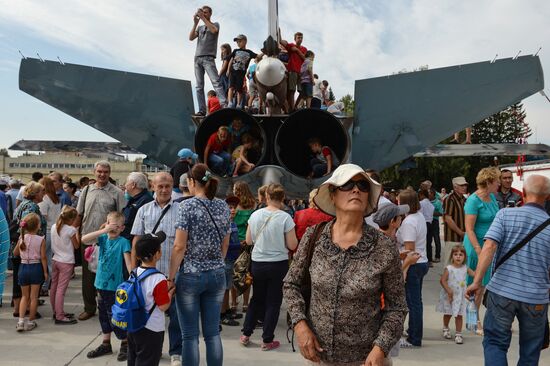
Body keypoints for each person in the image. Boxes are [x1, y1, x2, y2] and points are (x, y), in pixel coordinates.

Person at [284, 164, 407, 364]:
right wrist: (300, 325)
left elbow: (397, 307)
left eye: (362, 186)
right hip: (319, 358)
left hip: (366, 360)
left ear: (368, 197)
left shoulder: (384, 246)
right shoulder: (314, 237)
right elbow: (291, 284)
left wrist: (380, 348)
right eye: (347, 185)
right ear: (332, 194)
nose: (356, 189)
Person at [466, 174, 550, 365]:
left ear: (524, 193)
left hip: (502, 292)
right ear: (548, 197)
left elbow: (489, 247)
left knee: (495, 342)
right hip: (536, 298)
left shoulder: (505, 214)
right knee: (531, 350)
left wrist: (477, 282)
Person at [168, 163, 230, 366]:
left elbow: (179, 246)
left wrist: (170, 276)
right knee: (212, 334)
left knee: (190, 336)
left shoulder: (186, 206)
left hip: (191, 274)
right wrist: (217, 262)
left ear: (192, 182)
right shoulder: (222, 205)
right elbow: (226, 242)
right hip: (217, 274)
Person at [130, 172, 182, 366]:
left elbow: (184, 242)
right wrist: (135, 269)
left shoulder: (181, 210)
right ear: (152, 186)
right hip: (149, 276)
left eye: (167, 186)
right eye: (160, 186)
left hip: (172, 274)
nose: (164, 189)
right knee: (150, 314)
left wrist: (174, 274)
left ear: (172, 186)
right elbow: (136, 238)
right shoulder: (143, 210)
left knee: (176, 315)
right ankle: (155, 349)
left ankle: (176, 351)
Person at [240, 184, 298, 351]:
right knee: (273, 301)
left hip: (258, 262)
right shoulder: (286, 218)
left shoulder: (255, 215)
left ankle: (246, 333)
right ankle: (267, 339)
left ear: (266, 197)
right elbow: (292, 244)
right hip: (278, 263)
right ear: (283, 197)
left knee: (256, 299)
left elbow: (249, 240)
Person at [77, 160, 126, 321]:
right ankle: (89, 307)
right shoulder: (86, 190)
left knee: (108, 273)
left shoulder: (117, 192)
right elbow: (79, 214)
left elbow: (121, 216)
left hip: (108, 241)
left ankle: (109, 306)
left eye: (105, 172)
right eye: (99, 171)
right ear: (94, 172)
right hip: (88, 238)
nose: (102, 174)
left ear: (109, 173)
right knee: (88, 276)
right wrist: (76, 233)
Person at [83, 211, 132, 361]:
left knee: (116, 316)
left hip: (115, 287)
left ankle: (125, 343)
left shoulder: (123, 242)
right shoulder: (103, 238)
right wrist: (104, 229)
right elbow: (84, 239)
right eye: (111, 224)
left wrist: (133, 280)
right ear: (107, 223)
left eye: (117, 226)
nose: (114, 228)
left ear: (122, 228)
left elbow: (129, 263)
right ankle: (106, 343)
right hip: (100, 285)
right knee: (103, 315)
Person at [128, 232, 174, 366]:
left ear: (137, 256)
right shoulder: (159, 279)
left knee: (133, 359)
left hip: (133, 325)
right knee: (148, 361)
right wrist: (171, 292)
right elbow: (163, 306)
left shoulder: (134, 273)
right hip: (151, 329)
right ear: (157, 255)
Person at [463, 167, 500, 335]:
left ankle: (473, 319)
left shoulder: (492, 198)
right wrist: (478, 249)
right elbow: (469, 229)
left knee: (483, 285)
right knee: (475, 286)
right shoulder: (473, 200)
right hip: (475, 246)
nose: (499, 183)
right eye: (497, 180)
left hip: (488, 246)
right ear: (489, 182)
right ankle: (474, 321)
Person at [396, 189, 429, 348]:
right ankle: (413, 331)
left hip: (414, 265)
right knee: (417, 302)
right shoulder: (419, 216)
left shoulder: (409, 222)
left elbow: (410, 249)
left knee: (412, 302)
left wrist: (404, 267)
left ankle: (414, 338)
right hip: (422, 262)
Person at [12, 182, 47, 319]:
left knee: (19, 279)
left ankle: (19, 309)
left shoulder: (23, 204)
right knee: (28, 289)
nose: (43, 194)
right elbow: (28, 225)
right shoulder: (31, 206)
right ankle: (27, 310)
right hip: (27, 250)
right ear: (35, 193)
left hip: (22, 247)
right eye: (42, 192)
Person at [189, 5, 226, 116]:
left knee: (216, 82)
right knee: (199, 86)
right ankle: (201, 110)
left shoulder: (215, 25)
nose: (203, 14)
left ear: (210, 13)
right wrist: (195, 22)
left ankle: (224, 105)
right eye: (202, 12)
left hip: (208, 58)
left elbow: (214, 31)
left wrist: (203, 18)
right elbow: (190, 38)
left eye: (205, 12)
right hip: (198, 58)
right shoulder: (200, 28)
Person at [13, 212, 46, 332]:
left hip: (23, 267)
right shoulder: (41, 239)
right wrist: (45, 272)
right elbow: (43, 257)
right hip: (36, 267)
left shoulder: (21, 238)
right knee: (33, 297)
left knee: (24, 296)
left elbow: (15, 253)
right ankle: (31, 321)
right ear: (38, 226)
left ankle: (21, 321)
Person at [436, 245, 474, 345]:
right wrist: (448, 290)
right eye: (455, 254)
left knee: (459, 315)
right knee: (448, 313)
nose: (458, 257)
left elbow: (475, 274)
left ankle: (458, 334)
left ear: (464, 257)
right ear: (451, 256)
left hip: (460, 296)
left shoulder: (465, 268)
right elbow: (442, 280)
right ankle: (445, 327)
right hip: (450, 296)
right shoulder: (449, 268)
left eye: (461, 255)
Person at [50, 205, 79, 325]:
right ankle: (60, 316)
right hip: (66, 261)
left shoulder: (54, 226)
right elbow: (76, 245)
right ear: (71, 219)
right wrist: (76, 231)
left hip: (55, 259)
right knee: (61, 290)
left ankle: (56, 311)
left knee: (54, 287)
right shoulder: (71, 230)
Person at [232, 181, 257, 313]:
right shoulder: (253, 205)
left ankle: (234, 302)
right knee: (246, 273)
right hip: (247, 242)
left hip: (234, 242)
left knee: (234, 273)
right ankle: (246, 304)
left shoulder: (233, 206)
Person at [220, 195, 242, 327]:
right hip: (226, 259)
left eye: (234, 207)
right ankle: (222, 314)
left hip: (232, 259)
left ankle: (227, 310)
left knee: (228, 286)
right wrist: (239, 245)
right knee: (225, 288)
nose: (233, 210)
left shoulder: (232, 222)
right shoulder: (224, 223)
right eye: (230, 207)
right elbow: (224, 244)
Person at [37, 176, 61, 295]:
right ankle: (51, 282)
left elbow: (43, 216)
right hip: (54, 231)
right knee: (50, 259)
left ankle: (45, 285)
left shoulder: (45, 198)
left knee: (43, 259)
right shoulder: (55, 198)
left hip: (46, 231)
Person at [226, 34, 258, 109]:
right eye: (237, 42)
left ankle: (239, 104)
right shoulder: (235, 51)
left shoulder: (249, 52)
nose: (238, 43)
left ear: (245, 41)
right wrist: (228, 70)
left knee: (239, 90)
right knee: (231, 87)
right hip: (233, 72)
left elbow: (257, 56)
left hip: (241, 74)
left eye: (240, 41)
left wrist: (265, 52)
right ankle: (230, 103)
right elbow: (230, 59)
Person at [122, 172, 153, 242]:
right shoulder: (133, 199)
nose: (125, 185)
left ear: (133, 185)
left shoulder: (146, 201)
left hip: (136, 243)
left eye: (127, 182)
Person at [442, 177, 467, 264]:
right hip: (452, 238)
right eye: (461, 185)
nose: (464, 187)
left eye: (465, 185)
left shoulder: (464, 199)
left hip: (463, 238)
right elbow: (448, 219)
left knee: (461, 266)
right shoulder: (449, 199)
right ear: (455, 187)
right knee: (449, 265)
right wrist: (460, 232)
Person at [280, 32, 307, 112]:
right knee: (292, 90)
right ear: (295, 39)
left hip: (301, 72)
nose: (300, 39)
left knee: (302, 91)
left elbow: (305, 59)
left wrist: (297, 51)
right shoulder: (291, 45)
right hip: (292, 70)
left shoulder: (304, 49)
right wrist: (279, 32)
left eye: (301, 37)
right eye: (298, 37)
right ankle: (292, 108)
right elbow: (282, 42)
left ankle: (295, 106)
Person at [418, 189, 435, 267]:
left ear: (422, 195)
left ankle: (423, 259)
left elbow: (420, 215)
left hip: (424, 223)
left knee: (422, 242)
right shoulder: (431, 204)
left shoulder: (421, 203)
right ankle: (430, 260)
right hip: (430, 223)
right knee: (429, 242)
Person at [429, 188, 443, 263]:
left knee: (436, 239)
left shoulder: (438, 202)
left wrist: (431, 212)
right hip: (428, 222)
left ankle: (437, 256)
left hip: (435, 221)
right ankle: (429, 258)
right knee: (428, 240)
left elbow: (441, 213)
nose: (428, 195)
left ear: (433, 194)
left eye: (430, 193)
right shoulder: (426, 202)